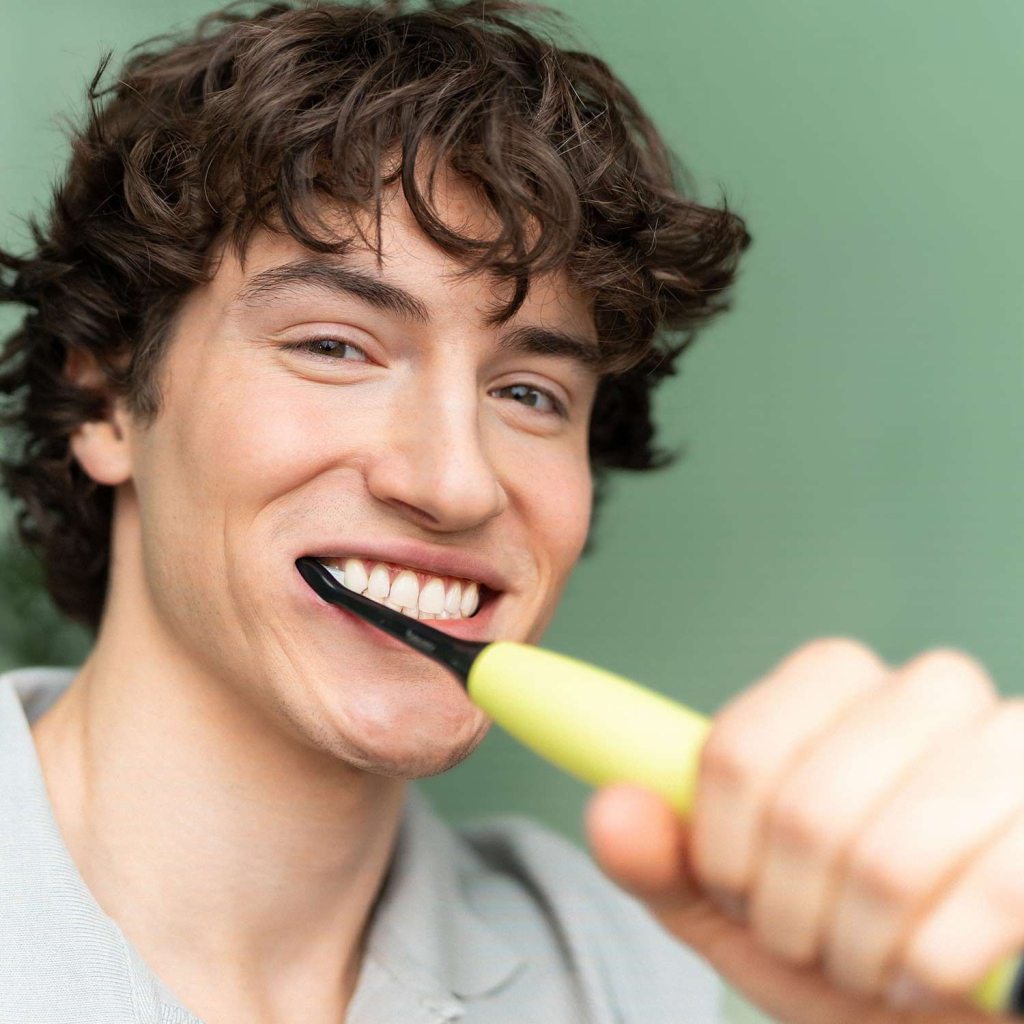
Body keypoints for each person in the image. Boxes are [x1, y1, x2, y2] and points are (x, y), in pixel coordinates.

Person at [0, 2, 1020, 1022]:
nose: (455, 483)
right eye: (334, 346)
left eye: (529, 394)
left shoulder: (626, 973)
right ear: (105, 403)